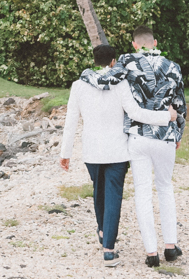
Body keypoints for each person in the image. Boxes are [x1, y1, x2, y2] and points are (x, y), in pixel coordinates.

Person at [59, 44, 176, 268]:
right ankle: (109, 250)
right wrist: (167, 117)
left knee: (98, 191)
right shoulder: (121, 84)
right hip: (118, 151)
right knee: (112, 195)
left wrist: (66, 153)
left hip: (91, 152)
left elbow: (70, 121)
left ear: (94, 60)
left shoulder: (78, 86)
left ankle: (104, 231)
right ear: (113, 61)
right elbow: (136, 113)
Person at [118, 25, 187, 268]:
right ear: (155, 42)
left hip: (138, 136)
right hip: (165, 135)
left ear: (135, 44)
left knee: (142, 192)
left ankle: (151, 253)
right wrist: (178, 132)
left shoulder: (125, 65)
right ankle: (170, 246)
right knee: (165, 188)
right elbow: (179, 104)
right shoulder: (173, 67)